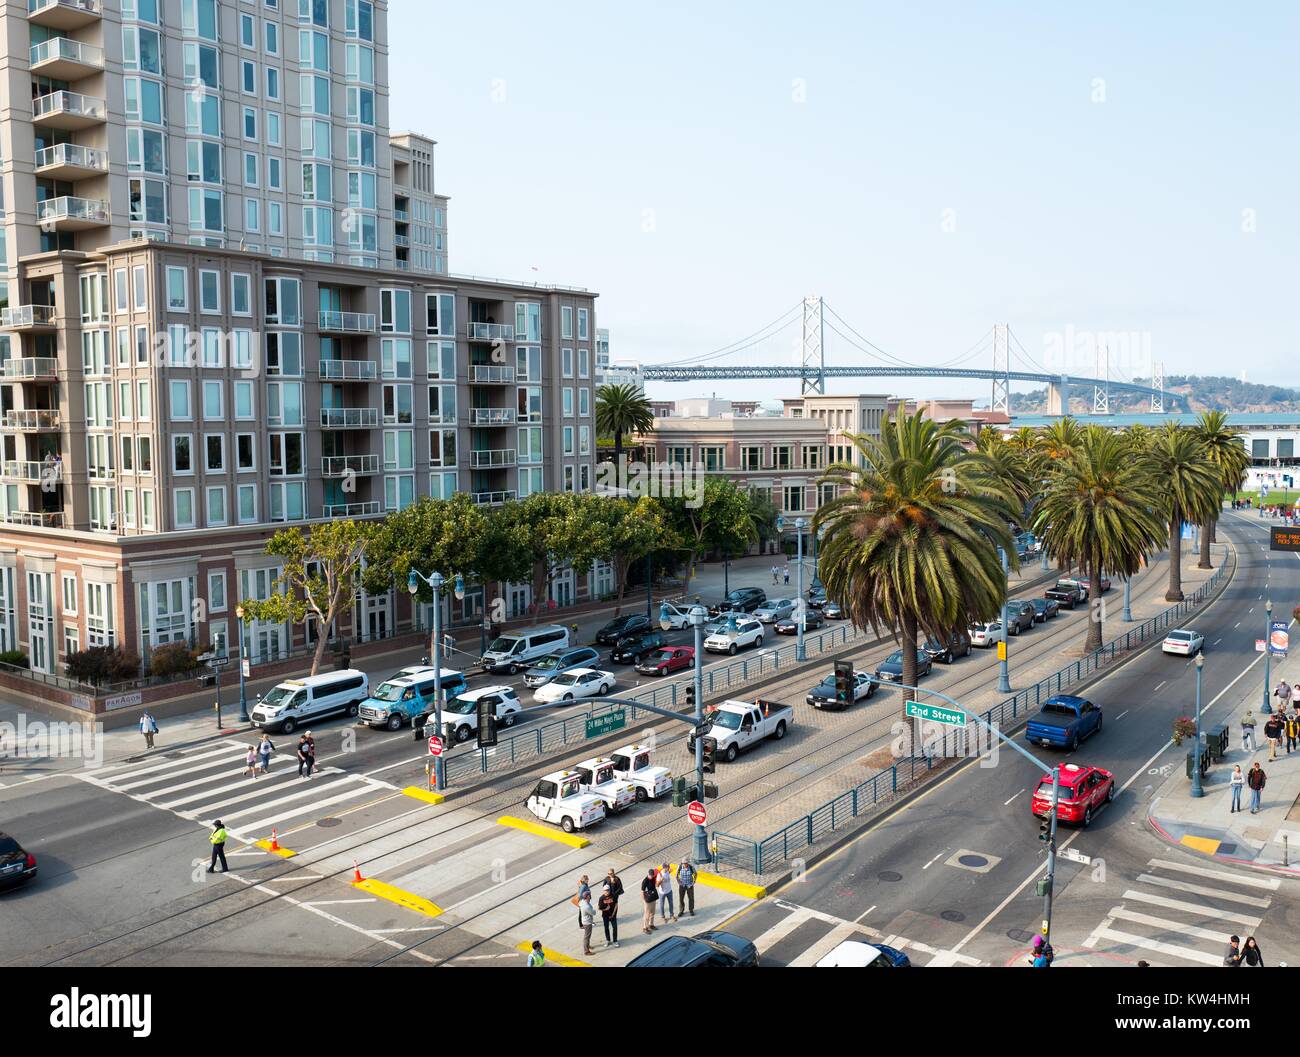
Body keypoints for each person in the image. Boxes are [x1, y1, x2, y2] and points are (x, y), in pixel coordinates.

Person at [598, 883, 619, 948]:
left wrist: (613, 914)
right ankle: (608, 940)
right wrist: (605, 909)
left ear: (609, 890)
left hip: (612, 915)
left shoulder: (613, 896)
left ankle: (615, 941)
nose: (607, 891)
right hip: (605, 916)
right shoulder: (601, 898)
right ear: (603, 891)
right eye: (605, 890)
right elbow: (599, 908)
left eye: (608, 890)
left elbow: (616, 905)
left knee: (615, 927)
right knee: (606, 928)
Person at [640, 867, 658, 933]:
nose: (651, 876)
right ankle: (645, 927)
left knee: (652, 913)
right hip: (647, 900)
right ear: (648, 874)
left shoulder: (653, 878)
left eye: (652, 875)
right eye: (650, 875)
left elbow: (654, 886)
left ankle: (651, 924)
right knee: (647, 914)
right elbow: (642, 892)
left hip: (653, 898)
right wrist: (644, 900)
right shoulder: (645, 881)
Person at [578, 891, 596, 956]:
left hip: (584, 921)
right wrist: (594, 910)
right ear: (588, 896)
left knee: (587, 936)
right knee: (587, 936)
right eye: (589, 895)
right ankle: (586, 951)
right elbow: (593, 913)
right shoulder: (586, 907)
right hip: (587, 922)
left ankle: (587, 946)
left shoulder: (582, 902)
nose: (590, 896)